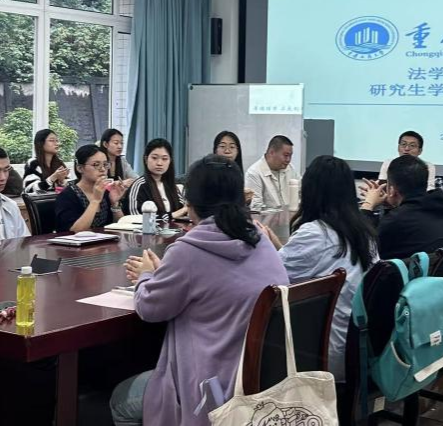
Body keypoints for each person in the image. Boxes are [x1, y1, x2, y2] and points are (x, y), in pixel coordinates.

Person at [110, 155, 288, 426]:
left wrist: (146, 275)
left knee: (121, 399)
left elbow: (149, 308)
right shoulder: (260, 241)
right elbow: (212, 284)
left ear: (190, 204)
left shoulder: (189, 251)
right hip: (262, 384)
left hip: (209, 392)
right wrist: (165, 274)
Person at [260, 155, 378, 380]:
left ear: (310, 191)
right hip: (360, 348)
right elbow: (303, 262)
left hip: (325, 353)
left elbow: (273, 279)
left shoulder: (315, 233)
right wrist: (276, 244)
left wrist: (264, 246)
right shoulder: (364, 232)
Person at [361, 155, 443, 261]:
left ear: (391, 190)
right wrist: (389, 203)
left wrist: (368, 205)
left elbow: (362, 249)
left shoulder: (396, 220)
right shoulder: (442, 209)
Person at [54, 145, 127, 232]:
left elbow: (121, 228)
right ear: (80, 168)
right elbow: (75, 231)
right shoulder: (67, 196)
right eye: (96, 165)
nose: (103, 169)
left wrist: (114, 204)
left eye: (105, 164)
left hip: (104, 239)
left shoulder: (106, 192)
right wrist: (95, 201)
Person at [128, 138, 188, 221]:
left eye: (164, 159)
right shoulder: (139, 185)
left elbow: (183, 211)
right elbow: (137, 218)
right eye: (154, 158)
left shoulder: (171, 185)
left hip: (174, 229)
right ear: (146, 159)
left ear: (170, 161)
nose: (159, 163)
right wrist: (172, 215)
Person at [245, 135, 299, 211]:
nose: (288, 160)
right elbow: (255, 209)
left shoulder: (290, 168)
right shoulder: (254, 173)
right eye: (286, 155)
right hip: (267, 218)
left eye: (290, 156)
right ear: (271, 153)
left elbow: (301, 193)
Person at [23, 129, 69, 194]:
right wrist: (53, 178)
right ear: (41, 143)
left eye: (57, 141)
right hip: (41, 200)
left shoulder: (59, 163)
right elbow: (29, 189)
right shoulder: (33, 163)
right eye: (51, 140)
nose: (57, 144)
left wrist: (62, 181)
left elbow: (67, 189)